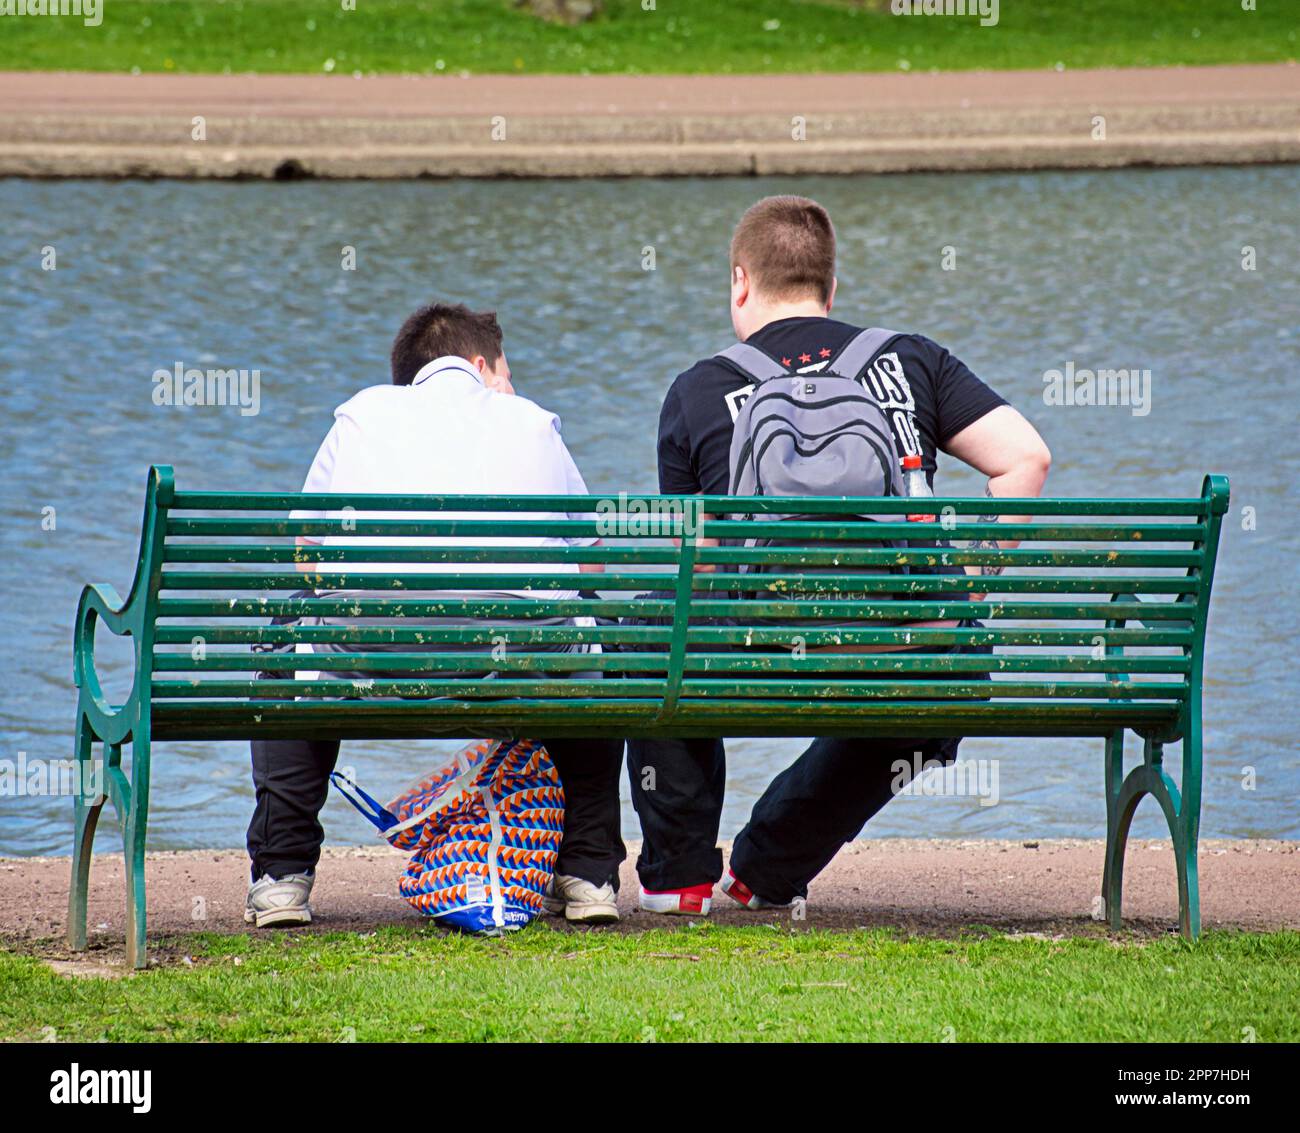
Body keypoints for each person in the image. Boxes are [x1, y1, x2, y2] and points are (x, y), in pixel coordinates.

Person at [627, 196, 1052, 915]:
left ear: (740, 282)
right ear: (831, 287)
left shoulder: (698, 389)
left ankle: (680, 875)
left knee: (648, 629)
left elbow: (691, 566)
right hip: (909, 647)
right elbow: (1027, 461)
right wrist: (965, 587)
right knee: (939, 667)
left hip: (759, 652)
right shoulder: (913, 358)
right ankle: (769, 863)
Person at [245, 302, 625, 928]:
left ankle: (282, 877)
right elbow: (592, 568)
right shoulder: (531, 422)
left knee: (293, 644)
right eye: (507, 372)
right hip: (518, 660)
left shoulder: (360, 415)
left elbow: (305, 556)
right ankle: (587, 876)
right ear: (481, 365)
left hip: (372, 656)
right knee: (587, 644)